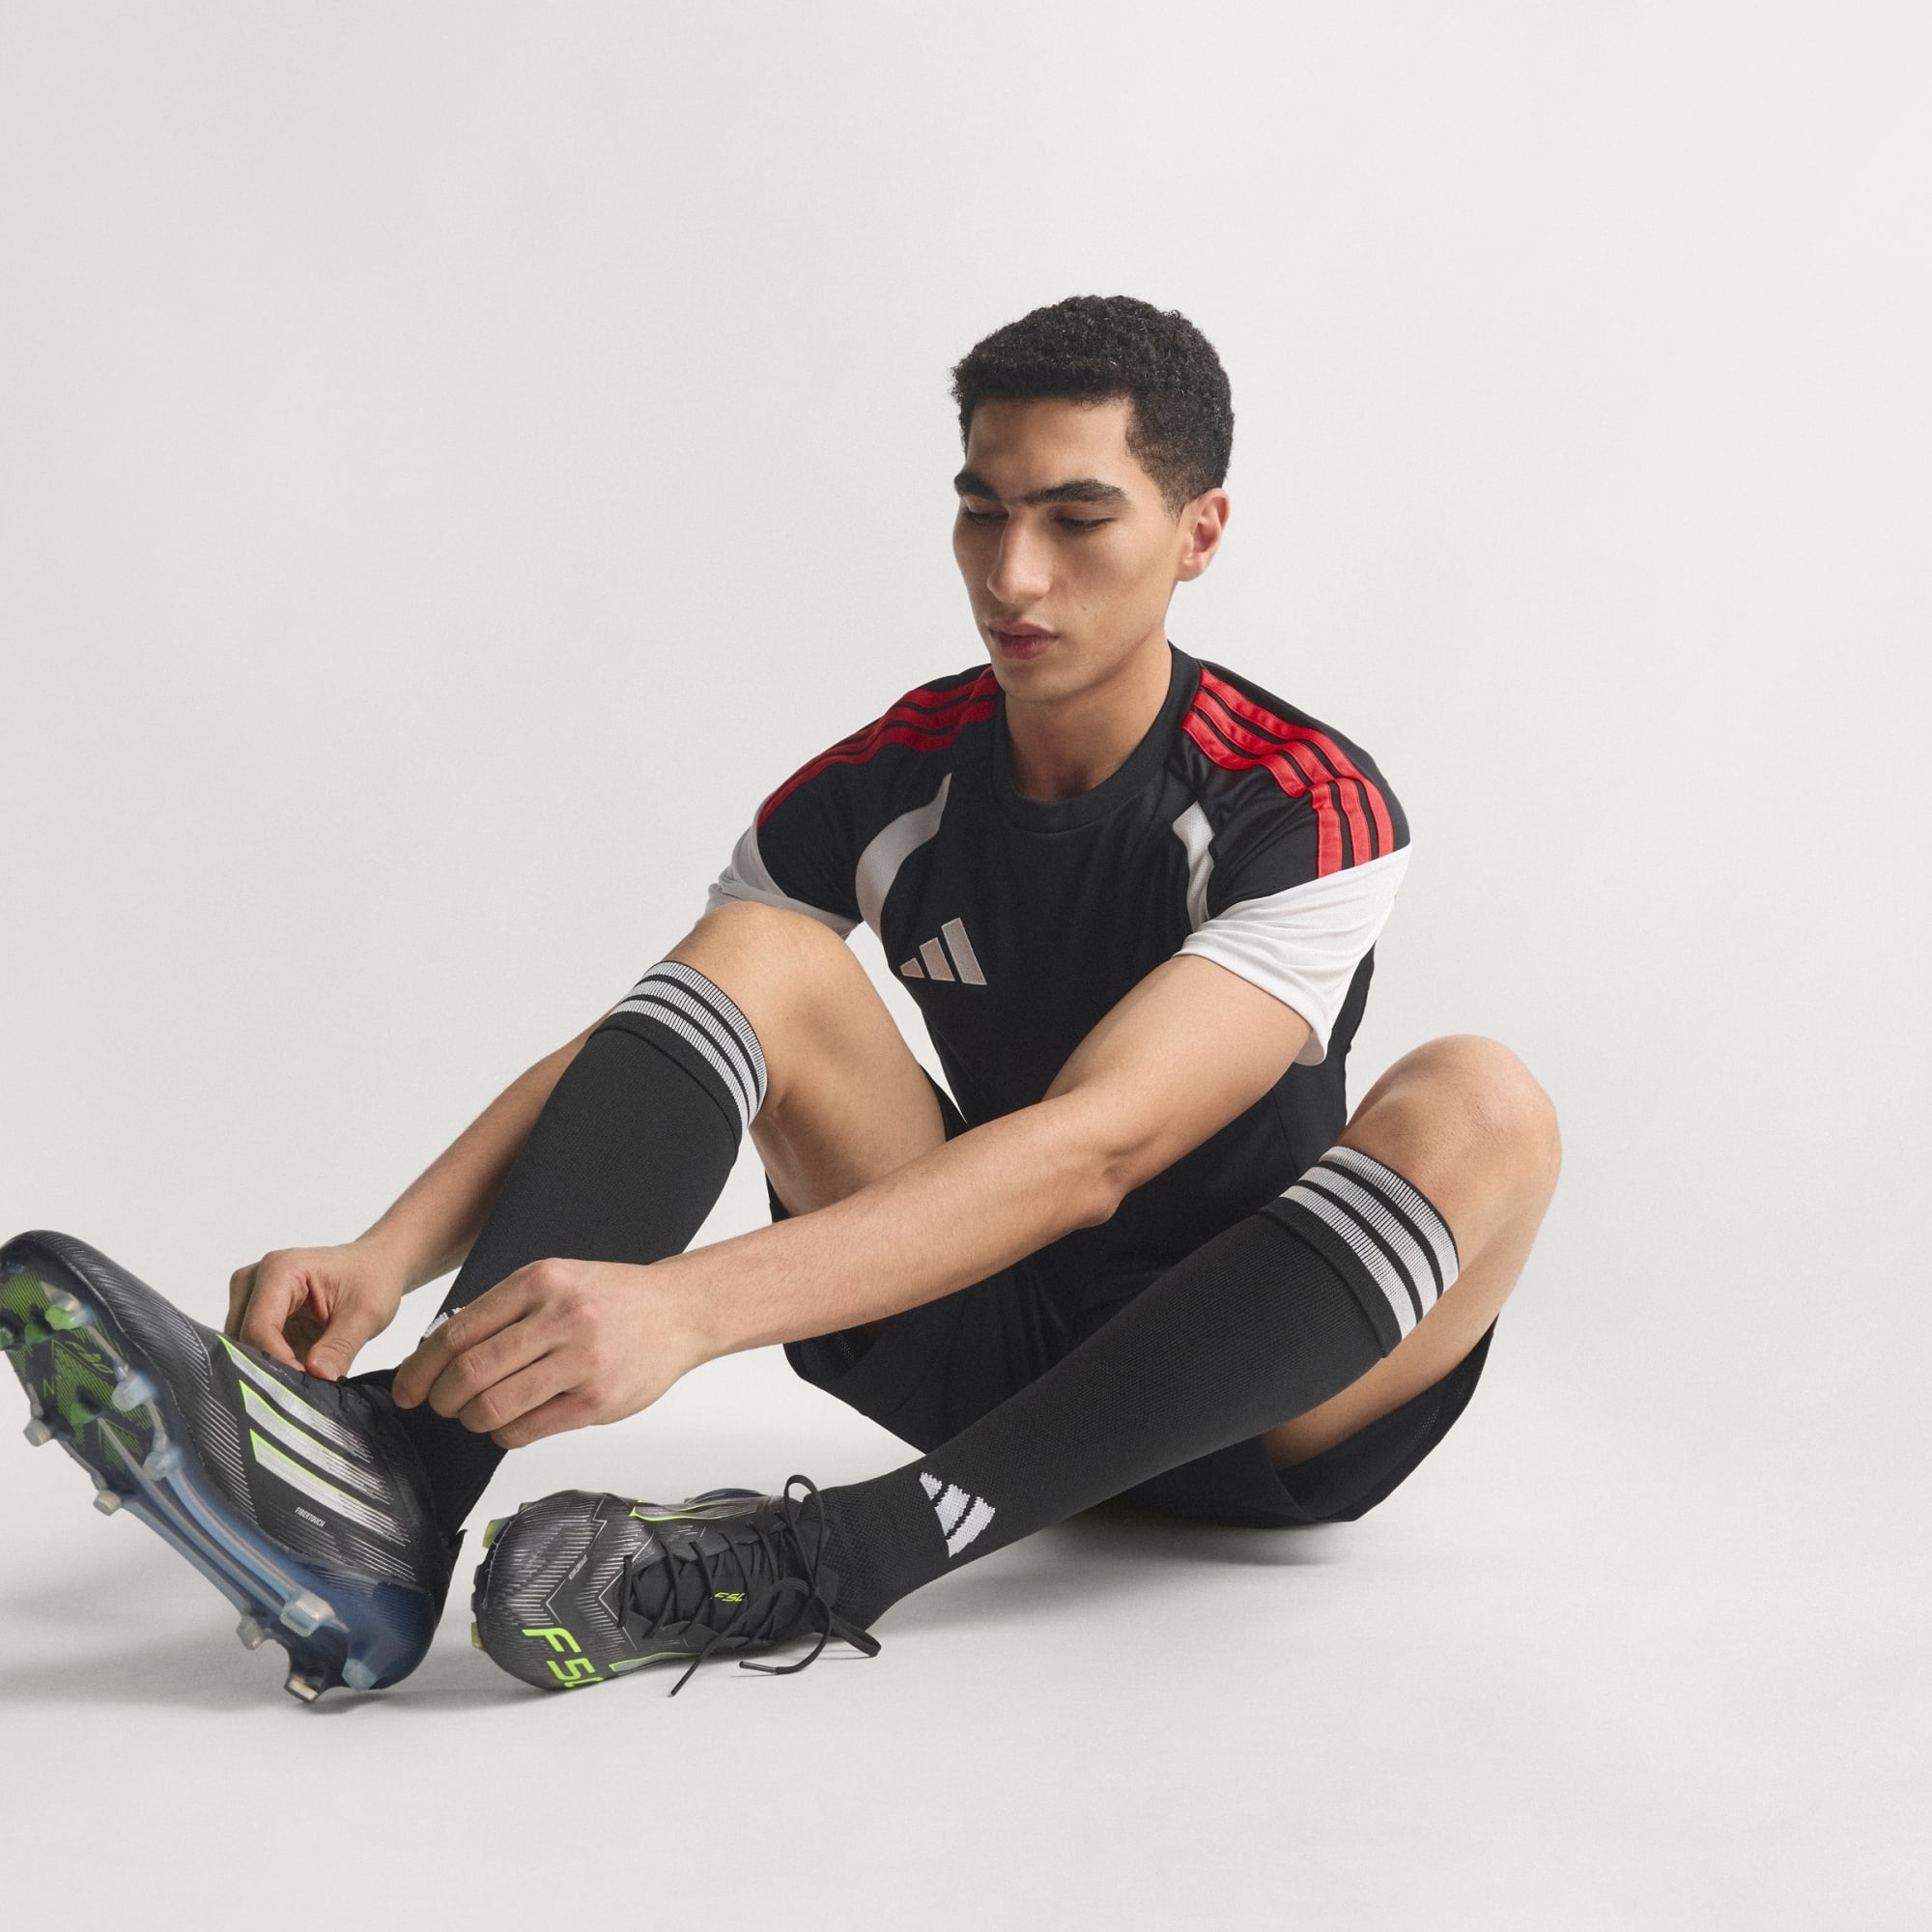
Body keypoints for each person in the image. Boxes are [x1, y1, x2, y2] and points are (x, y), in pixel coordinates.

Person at [1, 296, 1560, 1702]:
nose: (1013, 574)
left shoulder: (1300, 802)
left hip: (1267, 1401)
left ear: (1199, 532)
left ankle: (839, 1556)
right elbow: (669, 1028)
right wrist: (390, 1250)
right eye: (983, 511)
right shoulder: (891, 782)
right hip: (992, 1335)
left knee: (1488, 1103)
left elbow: (1099, 1151)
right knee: (764, 956)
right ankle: (401, 1483)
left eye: (1078, 519)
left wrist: (691, 1309)